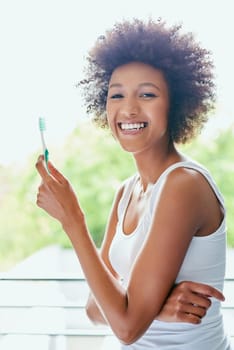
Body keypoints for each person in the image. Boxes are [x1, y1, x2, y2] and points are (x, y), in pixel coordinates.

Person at [36, 18, 231, 349]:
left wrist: (73, 220)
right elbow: (95, 310)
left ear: (177, 104)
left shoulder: (184, 184)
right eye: (116, 95)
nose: (128, 109)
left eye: (148, 94)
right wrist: (155, 306)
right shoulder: (126, 192)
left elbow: (125, 327)